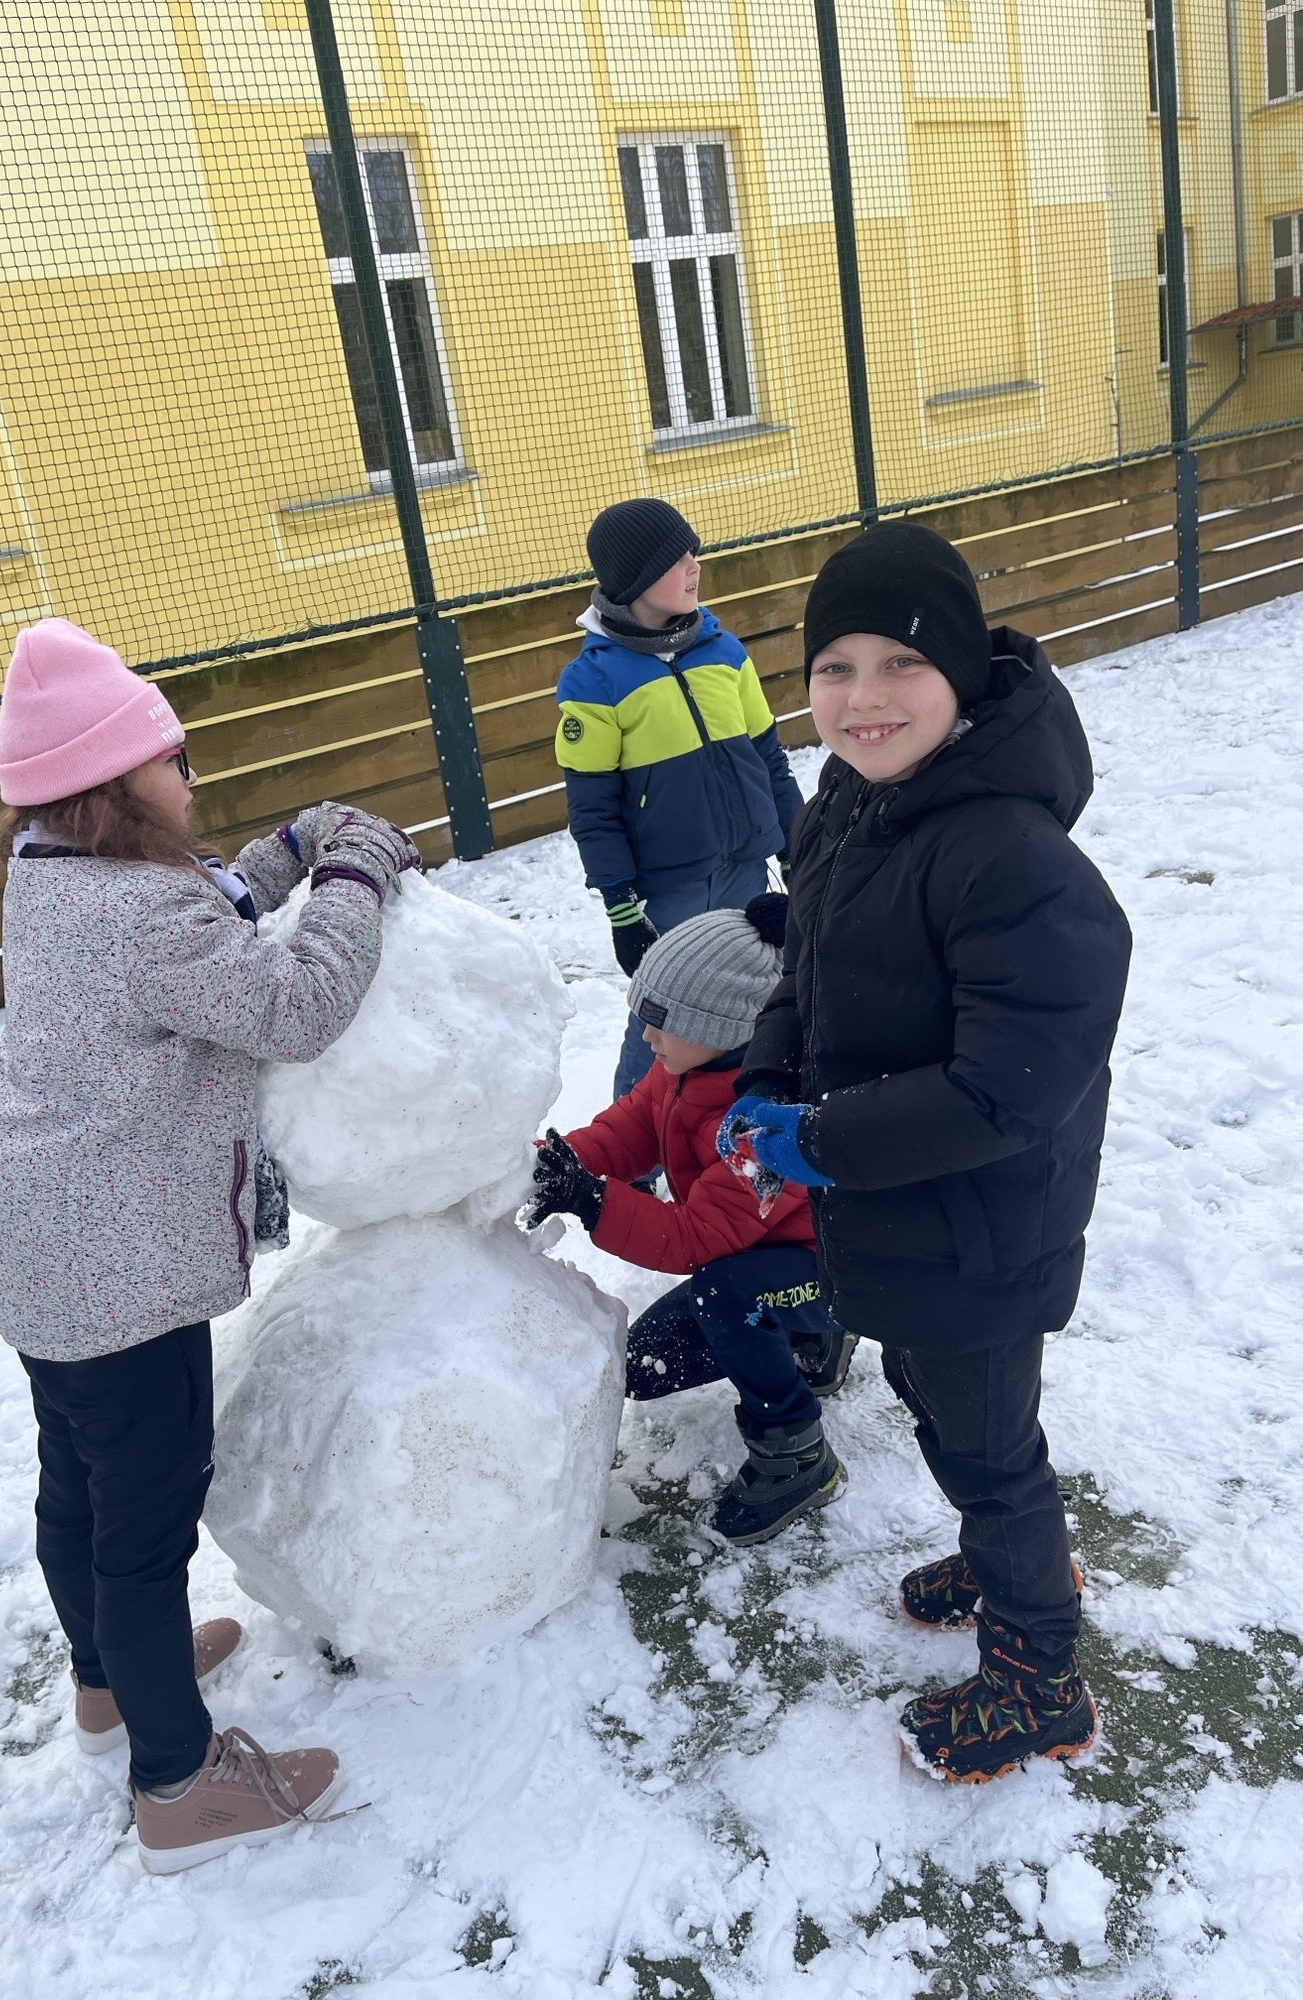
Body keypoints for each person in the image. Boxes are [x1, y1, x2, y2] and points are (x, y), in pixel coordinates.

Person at [0, 617, 420, 1872]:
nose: (191, 774)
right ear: (115, 788)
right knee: (146, 1524)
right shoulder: (143, 915)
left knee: (78, 1481)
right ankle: (177, 1781)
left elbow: (206, 918)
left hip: (43, 1247)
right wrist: (353, 874)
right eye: (172, 757)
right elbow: (295, 1003)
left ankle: (110, 1681)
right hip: (122, 1274)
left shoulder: (56, 874)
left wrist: (289, 850)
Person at [718, 522, 1131, 1783]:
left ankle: (1039, 1672)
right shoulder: (851, 804)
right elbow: (806, 970)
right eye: (834, 667)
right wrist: (767, 1079)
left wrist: (823, 1140)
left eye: (902, 662)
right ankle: (1006, 1558)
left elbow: (1010, 1087)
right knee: (936, 1401)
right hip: (897, 1210)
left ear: (959, 671)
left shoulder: (1012, 855)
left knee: (990, 1449)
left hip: (982, 1225)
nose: (865, 696)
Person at [523, 895, 852, 1545]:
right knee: (648, 1364)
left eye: (661, 1023)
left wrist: (592, 1202)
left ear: (728, 1026)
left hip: (840, 1267)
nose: (646, 1036)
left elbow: (698, 1238)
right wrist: (547, 1165)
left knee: (726, 1291)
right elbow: (626, 1132)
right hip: (766, 1253)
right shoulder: (685, 1070)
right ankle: (811, 1341)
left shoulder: (770, 1120)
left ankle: (795, 1451)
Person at [555, 498, 804, 1099]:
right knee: (663, 1015)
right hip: (671, 889)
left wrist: (799, 848)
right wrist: (621, 907)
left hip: (747, 869)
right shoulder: (595, 680)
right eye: (677, 559)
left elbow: (769, 760)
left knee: (751, 997)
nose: (696, 566)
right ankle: (631, 1137)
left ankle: (737, 1115)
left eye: (695, 553)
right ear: (635, 579)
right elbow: (593, 810)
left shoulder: (724, 652)